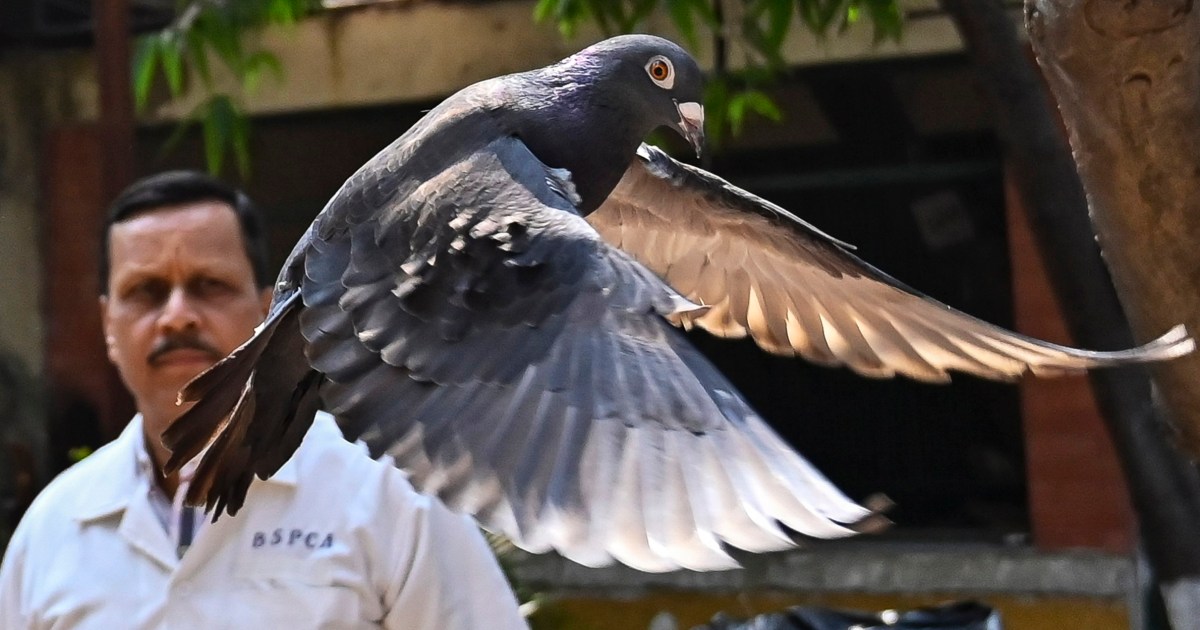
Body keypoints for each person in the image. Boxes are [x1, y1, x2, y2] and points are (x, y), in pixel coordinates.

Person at [0, 171, 528, 629]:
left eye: (209, 285)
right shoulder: (53, 530)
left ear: (266, 309)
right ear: (107, 325)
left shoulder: (386, 492)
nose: (178, 315)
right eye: (146, 291)